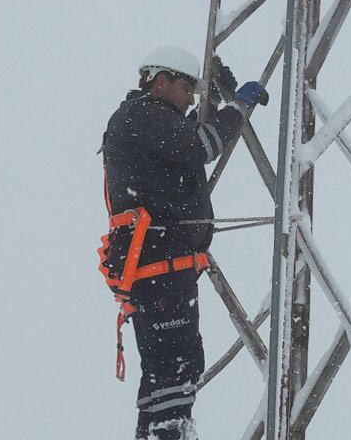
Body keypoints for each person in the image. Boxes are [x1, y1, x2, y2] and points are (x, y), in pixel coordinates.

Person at [98, 46, 267, 440]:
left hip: (160, 267)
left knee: (166, 375)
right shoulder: (143, 115)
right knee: (175, 370)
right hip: (160, 267)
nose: (191, 98)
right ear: (161, 83)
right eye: (187, 89)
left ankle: (161, 432)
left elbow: (187, 140)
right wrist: (237, 105)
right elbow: (202, 146)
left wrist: (215, 104)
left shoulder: (146, 121)